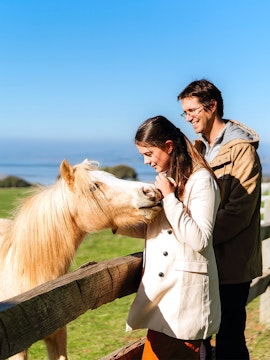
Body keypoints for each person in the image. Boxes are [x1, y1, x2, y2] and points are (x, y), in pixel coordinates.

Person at [117, 115, 221, 359]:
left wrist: (170, 197)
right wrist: (113, 223)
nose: (145, 161)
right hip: (164, 299)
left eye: (149, 153)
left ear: (169, 147)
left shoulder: (201, 180)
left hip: (186, 301)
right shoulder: (172, 179)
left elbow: (200, 239)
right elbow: (155, 229)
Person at [177, 79, 262, 360]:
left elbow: (240, 211)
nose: (188, 118)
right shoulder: (197, 150)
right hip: (203, 261)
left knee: (229, 339)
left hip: (230, 263)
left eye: (192, 111)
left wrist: (199, 237)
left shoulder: (242, 150)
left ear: (212, 106)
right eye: (185, 113)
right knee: (199, 338)